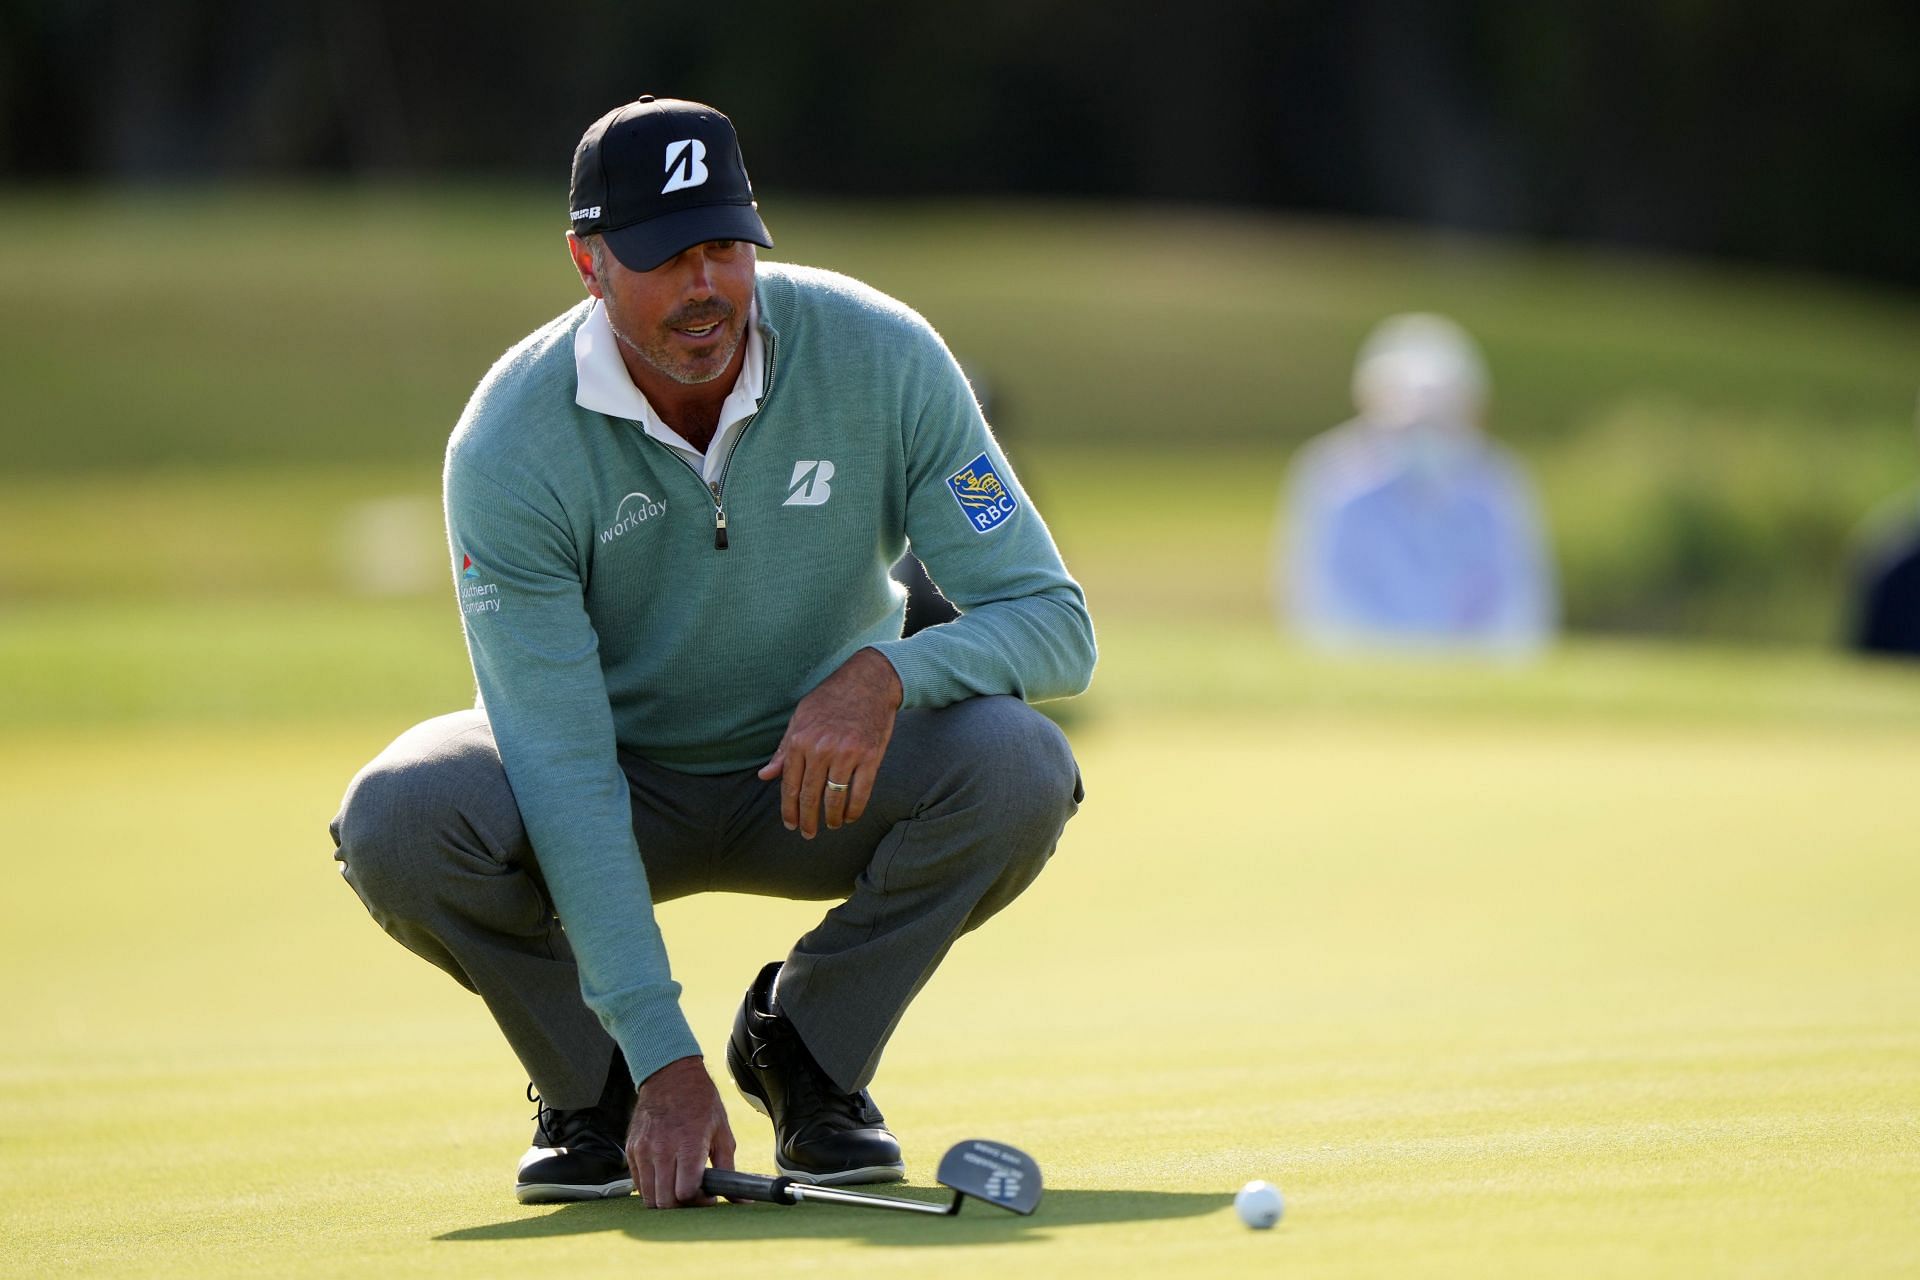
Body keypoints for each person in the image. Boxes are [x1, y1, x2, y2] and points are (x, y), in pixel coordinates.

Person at [328, 97, 1094, 1211]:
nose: (706, 287)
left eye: (727, 247)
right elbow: (560, 761)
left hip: (822, 776)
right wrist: (660, 1055)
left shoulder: (880, 356)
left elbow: (1054, 623)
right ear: (588, 262)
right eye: (665, 255)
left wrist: (888, 672)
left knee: (1023, 763)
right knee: (398, 816)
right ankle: (594, 1087)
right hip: (616, 782)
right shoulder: (510, 443)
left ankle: (809, 1054)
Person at [1278, 313, 1556, 656]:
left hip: (1474, 674)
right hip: (1362, 672)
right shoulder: (1333, 474)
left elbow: (1519, 605)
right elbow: (1320, 602)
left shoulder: (1499, 480)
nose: (1425, 429)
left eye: (1441, 414)